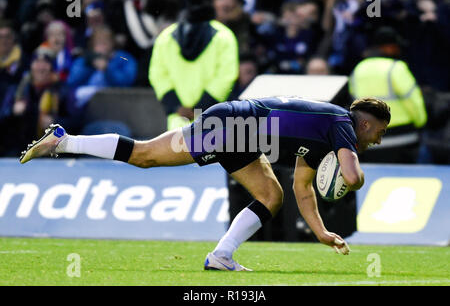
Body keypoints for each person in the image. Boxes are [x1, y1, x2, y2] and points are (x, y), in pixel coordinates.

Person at [19, 96, 390, 271]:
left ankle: (221, 256)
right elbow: (353, 176)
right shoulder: (342, 123)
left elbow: (302, 189)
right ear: (367, 123)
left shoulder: (326, 136)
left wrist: (322, 232)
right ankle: (64, 141)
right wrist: (352, 178)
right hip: (232, 127)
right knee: (146, 156)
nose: (377, 141)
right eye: (379, 133)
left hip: (240, 132)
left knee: (271, 194)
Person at [149, 0, 239, 131]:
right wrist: (200, 108)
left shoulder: (165, 37)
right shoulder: (224, 36)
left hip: (178, 122)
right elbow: (226, 77)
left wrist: (176, 106)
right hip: (213, 119)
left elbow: (157, 75)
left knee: (177, 152)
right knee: (211, 153)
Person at [349, 26, 427, 163]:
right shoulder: (396, 67)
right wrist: (421, 123)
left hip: (370, 141)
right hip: (403, 138)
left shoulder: (359, 69)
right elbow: (414, 101)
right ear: (389, 47)